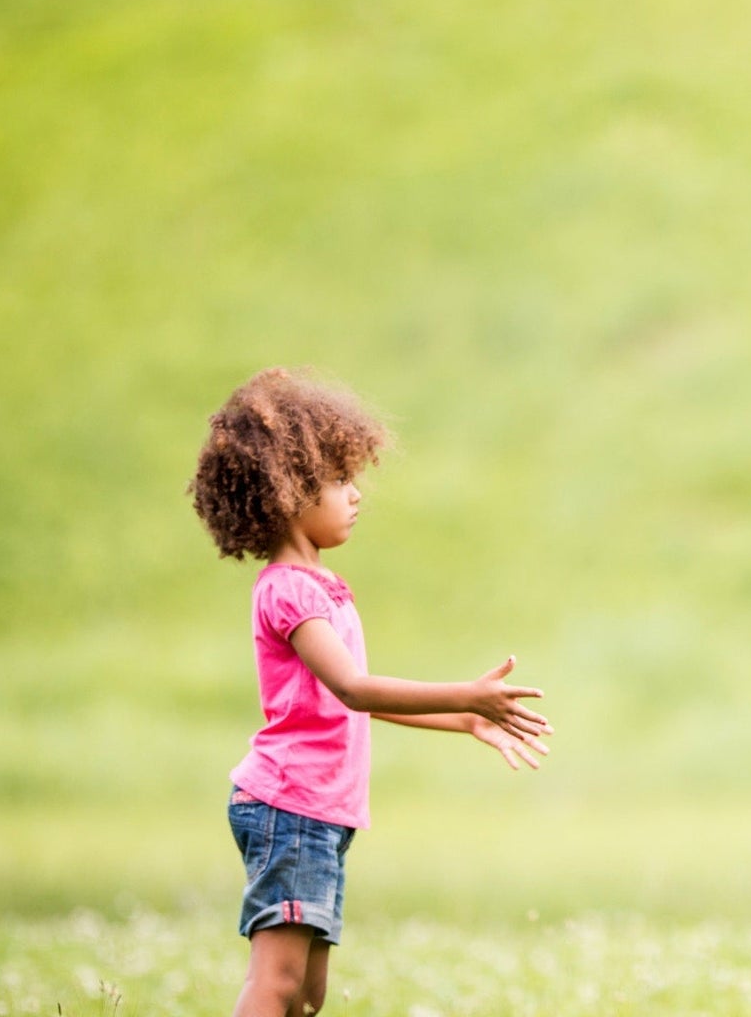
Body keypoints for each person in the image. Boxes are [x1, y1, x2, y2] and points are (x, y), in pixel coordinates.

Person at [190, 368, 556, 1017]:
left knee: (307, 995)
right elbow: (355, 689)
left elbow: (348, 698)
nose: (356, 494)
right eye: (339, 480)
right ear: (288, 490)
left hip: (318, 814)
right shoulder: (290, 591)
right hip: (290, 809)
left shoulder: (320, 587)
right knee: (277, 984)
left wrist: (462, 720)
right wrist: (465, 693)